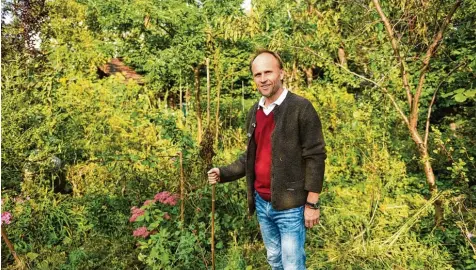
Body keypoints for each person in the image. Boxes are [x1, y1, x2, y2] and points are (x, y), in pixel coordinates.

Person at [207, 49, 326, 270]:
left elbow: (315, 156)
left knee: (292, 265)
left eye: (268, 72)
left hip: (290, 206)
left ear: (281, 73)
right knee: (274, 260)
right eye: (257, 74)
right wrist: (223, 172)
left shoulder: (301, 108)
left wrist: (312, 202)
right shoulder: (256, 111)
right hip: (262, 203)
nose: (263, 79)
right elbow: (250, 157)